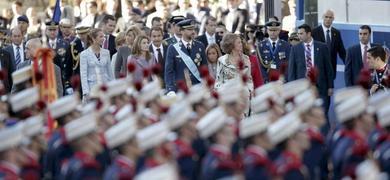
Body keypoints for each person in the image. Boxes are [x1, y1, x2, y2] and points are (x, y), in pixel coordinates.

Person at [288, 24, 334, 127]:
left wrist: (330, 86)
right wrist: (292, 90)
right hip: (302, 89)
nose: (299, 36)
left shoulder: (322, 47)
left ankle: (325, 138)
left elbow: (328, 68)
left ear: (308, 34)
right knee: (305, 115)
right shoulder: (295, 49)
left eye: (301, 33)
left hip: (321, 87)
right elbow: (292, 71)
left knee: (322, 114)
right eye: (298, 34)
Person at [165, 19, 207, 95]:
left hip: (198, 87)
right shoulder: (173, 48)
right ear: (181, 31)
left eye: (193, 29)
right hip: (181, 88)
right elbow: (169, 71)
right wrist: (170, 89)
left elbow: (205, 67)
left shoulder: (200, 46)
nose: (193, 32)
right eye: (189, 29)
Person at [80, 28, 114, 102]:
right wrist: (86, 93)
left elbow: (110, 72)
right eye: (101, 37)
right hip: (92, 89)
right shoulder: (84, 54)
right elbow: (83, 75)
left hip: (105, 88)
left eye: (104, 37)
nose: (103, 39)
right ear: (93, 38)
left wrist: (113, 88)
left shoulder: (106, 52)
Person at [312, 10, 346, 80]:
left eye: (330, 17)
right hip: (318, 70)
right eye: (326, 17)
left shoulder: (336, 33)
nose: (328, 19)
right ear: (322, 17)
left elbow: (342, 52)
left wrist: (349, 64)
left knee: (330, 90)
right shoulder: (314, 32)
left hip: (331, 70)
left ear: (333, 19)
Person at [45, 20, 72, 95]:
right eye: (50, 30)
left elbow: (69, 65)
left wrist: (68, 84)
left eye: (54, 30)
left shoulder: (65, 44)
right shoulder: (42, 45)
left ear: (58, 30)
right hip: (46, 79)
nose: (52, 32)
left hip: (61, 79)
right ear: (46, 31)